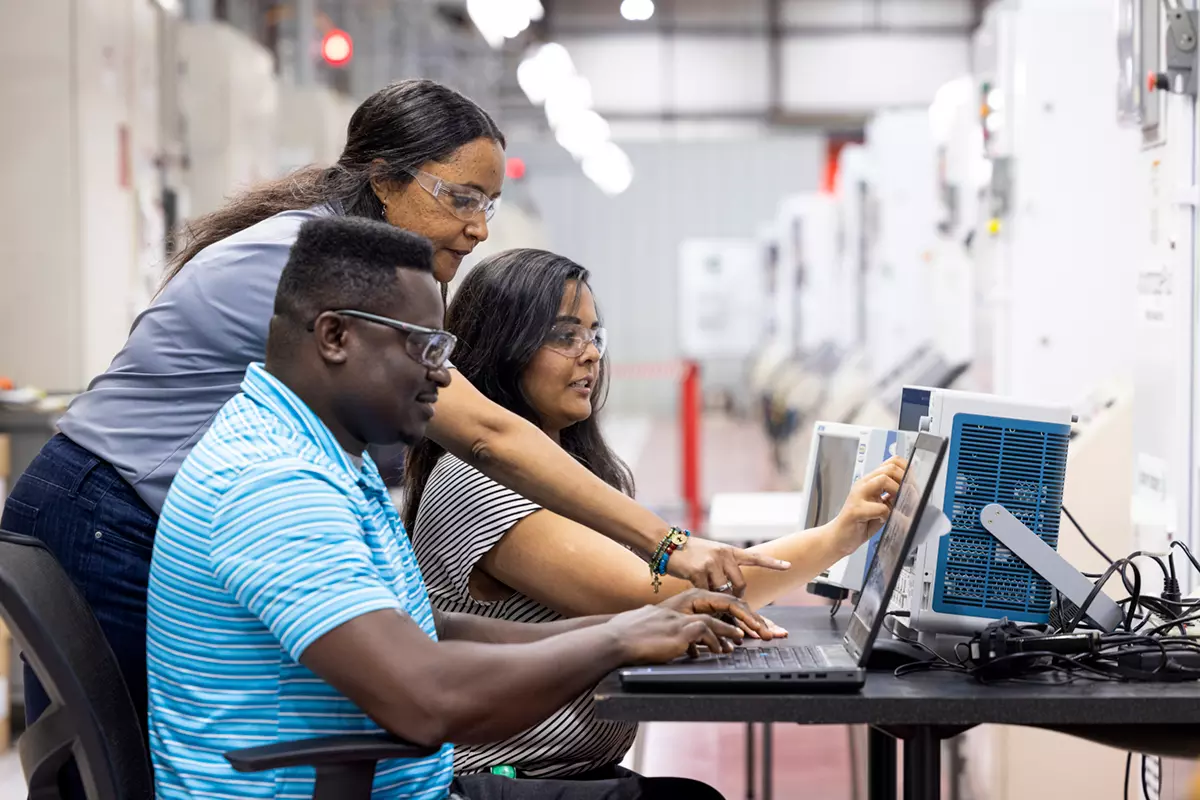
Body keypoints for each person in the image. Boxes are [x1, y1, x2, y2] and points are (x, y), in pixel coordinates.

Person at [0, 79, 784, 732]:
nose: (478, 228)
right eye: (460, 198)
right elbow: (484, 433)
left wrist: (619, 629)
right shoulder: (304, 268)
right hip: (104, 510)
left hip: (150, 510)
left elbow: (424, 622)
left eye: (490, 204)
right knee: (122, 757)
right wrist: (666, 544)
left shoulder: (341, 306)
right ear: (383, 180)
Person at [149, 216, 754, 800]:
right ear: (336, 337)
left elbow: (422, 626)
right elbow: (427, 699)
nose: (444, 378)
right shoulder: (274, 484)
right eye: (425, 348)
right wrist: (615, 643)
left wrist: (627, 625)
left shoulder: (328, 458)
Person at [404, 249, 905, 778]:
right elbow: (667, 601)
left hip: (564, 768)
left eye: (595, 335)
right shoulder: (477, 483)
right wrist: (836, 537)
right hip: (497, 778)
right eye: (564, 335)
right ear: (503, 345)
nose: (590, 354)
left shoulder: (573, 472)